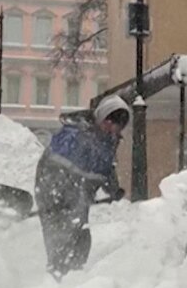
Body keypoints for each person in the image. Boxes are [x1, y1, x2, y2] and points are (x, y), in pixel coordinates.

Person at [35, 95, 129, 278]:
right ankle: (55, 280)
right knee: (60, 239)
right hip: (54, 193)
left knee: (81, 239)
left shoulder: (108, 142)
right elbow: (56, 165)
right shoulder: (74, 133)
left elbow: (106, 167)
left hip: (79, 197)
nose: (112, 128)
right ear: (101, 117)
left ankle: (73, 280)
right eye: (109, 121)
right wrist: (61, 195)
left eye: (117, 125)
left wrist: (113, 189)